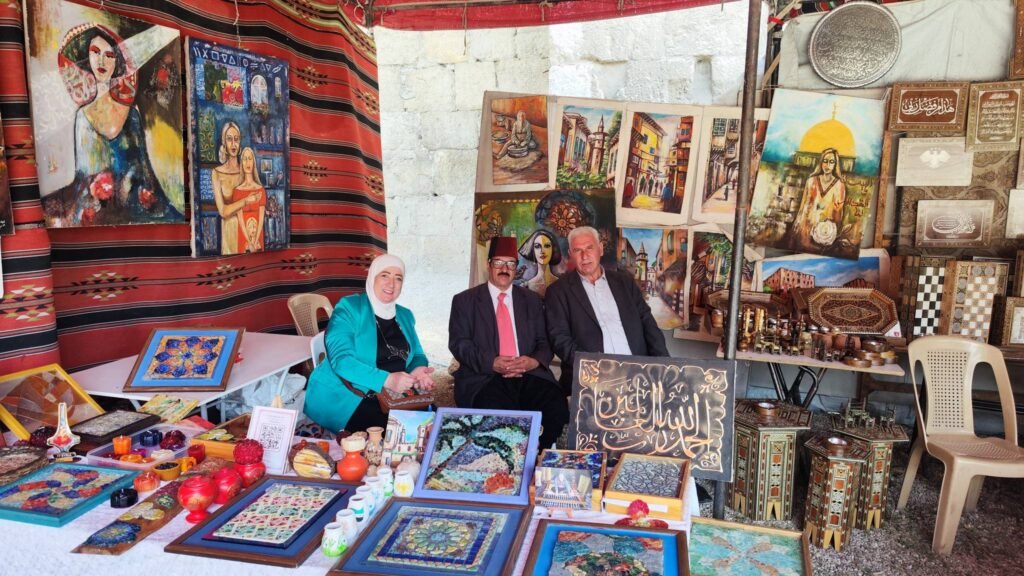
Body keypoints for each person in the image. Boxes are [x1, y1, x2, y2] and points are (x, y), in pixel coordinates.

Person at [45, 24, 182, 226]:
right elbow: (83, 175)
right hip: (94, 206)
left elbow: (144, 171)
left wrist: (132, 188)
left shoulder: (132, 114)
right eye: (95, 52)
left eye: (109, 55)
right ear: (87, 59)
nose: (102, 60)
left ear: (116, 62)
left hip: (135, 204)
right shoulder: (83, 116)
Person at [449, 237, 568, 449]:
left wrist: (533, 361)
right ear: (489, 265)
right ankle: (508, 462)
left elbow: (545, 341)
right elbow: (459, 343)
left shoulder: (532, 300)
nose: (505, 269)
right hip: (486, 377)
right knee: (499, 417)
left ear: (516, 268)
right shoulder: (465, 301)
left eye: (511, 264)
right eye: (499, 263)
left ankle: (537, 456)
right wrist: (491, 362)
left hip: (529, 374)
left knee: (554, 406)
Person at [305, 254, 435, 434]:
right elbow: (342, 361)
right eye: (385, 275)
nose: (391, 284)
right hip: (349, 396)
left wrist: (418, 370)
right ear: (373, 277)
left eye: (398, 278)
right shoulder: (349, 308)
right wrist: (387, 380)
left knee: (434, 422)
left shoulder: (405, 315)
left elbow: (418, 354)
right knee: (405, 433)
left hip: (393, 395)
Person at [545, 226, 668, 395]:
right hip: (591, 381)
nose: (584, 256)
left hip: (638, 374)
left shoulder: (624, 282)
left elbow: (648, 323)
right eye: (578, 250)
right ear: (570, 254)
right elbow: (559, 339)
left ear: (600, 249)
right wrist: (594, 370)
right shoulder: (558, 291)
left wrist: (665, 365)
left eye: (590, 248)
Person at [212, 122, 260, 255]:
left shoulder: (246, 170)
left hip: (247, 231)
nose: (233, 144)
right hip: (229, 232)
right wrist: (245, 201)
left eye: (236, 139)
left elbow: (257, 202)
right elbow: (223, 211)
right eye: (229, 139)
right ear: (224, 143)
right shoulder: (216, 173)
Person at [788, 147, 847, 253]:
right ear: (821, 162)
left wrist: (831, 231)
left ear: (835, 164)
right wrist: (798, 226)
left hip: (825, 231)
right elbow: (803, 206)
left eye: (831, 162)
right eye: (825, 161)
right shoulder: (811, 181)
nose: (827, 165)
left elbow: (838, 214)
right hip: (806, 228)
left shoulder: (839, 185)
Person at [233, 147, 267, 253]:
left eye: (250, 158)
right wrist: (249, 242)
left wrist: (255, 241)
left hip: (258, 235)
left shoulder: (260, 190)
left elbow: (261, 220)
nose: (247, 162)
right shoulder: (237, 191)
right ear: (241, 163)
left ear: (254, 162)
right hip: (243, 235)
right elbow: (240, 220)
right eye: (245, 159)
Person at [519, 229, 561, 297]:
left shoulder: (562, 285)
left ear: (553, 250)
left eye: (547, 246)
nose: (542, 251)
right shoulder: (525, 287)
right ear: (533, 250)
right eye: (537, 246)